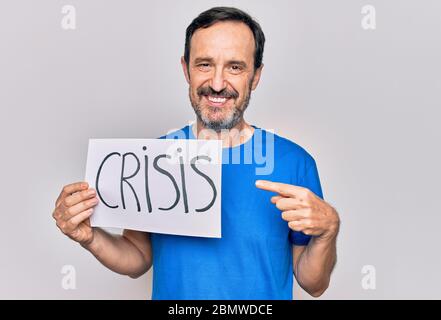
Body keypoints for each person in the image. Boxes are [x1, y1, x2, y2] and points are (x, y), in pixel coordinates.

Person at [52, 6, 340, 299]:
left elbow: (313, 283)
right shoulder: (156, 158)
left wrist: (328, 231)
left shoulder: (294, 164)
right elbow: (137, 258)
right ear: (185, 69)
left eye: (235, 67)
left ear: (255, 76)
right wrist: (89, 238)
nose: (217, 83)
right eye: (204, 64)